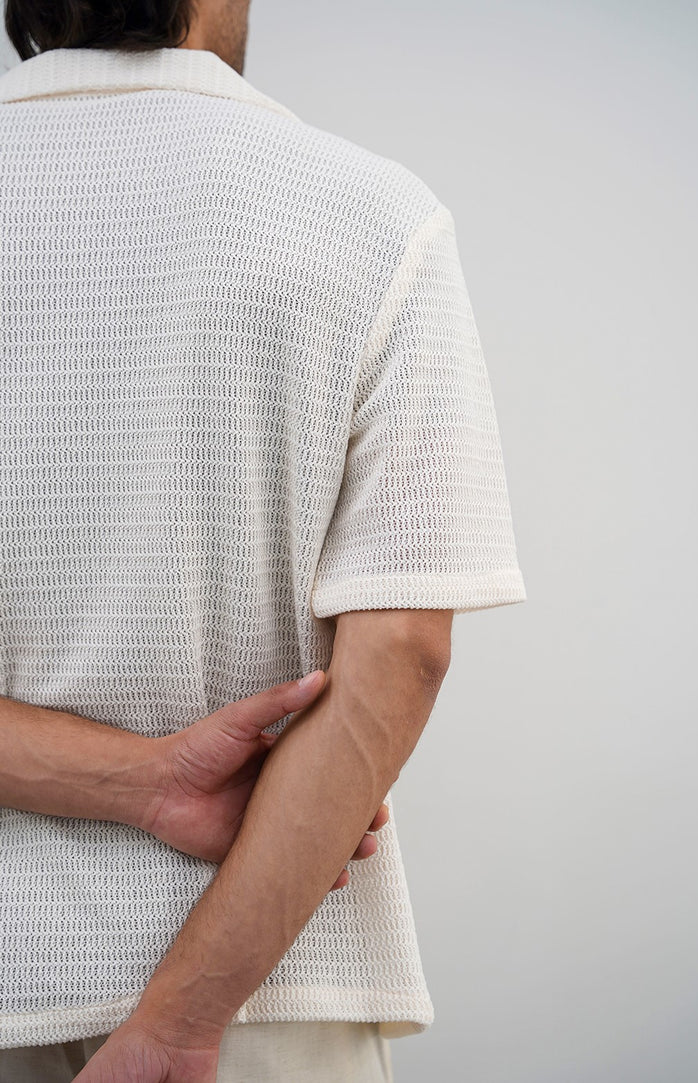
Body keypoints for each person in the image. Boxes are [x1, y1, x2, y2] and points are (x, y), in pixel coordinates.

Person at [0, 0, 527, 1079]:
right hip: (264, 987)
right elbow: (405, 650)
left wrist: (139, 781)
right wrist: (180, 1020)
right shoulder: (373, 215)